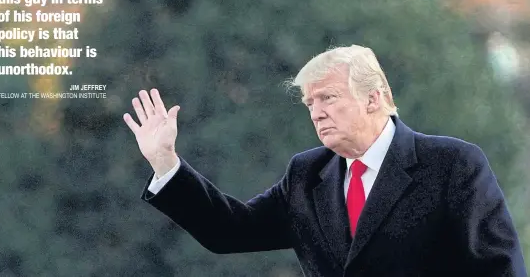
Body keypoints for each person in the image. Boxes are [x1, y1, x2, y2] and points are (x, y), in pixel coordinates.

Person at [123, 45, 527, 277]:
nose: (315, 112)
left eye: (328, 98)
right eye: (309, 102)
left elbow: (499, 270)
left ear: (375, 98)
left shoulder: (452, 164)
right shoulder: (307, 174)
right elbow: (230, 231)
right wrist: (165, 163)